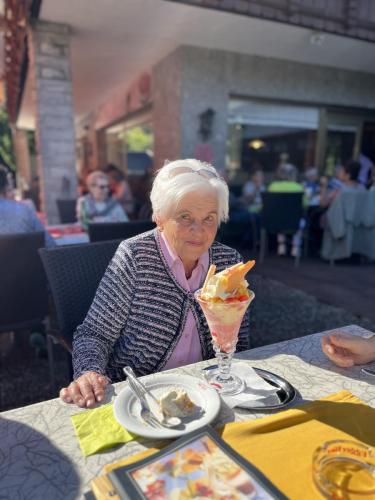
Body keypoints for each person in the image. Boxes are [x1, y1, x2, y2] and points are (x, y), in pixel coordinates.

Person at [60, 159, 250, 408]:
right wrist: (88, 373)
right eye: (185, 216)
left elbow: (241, 343)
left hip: (207, 394)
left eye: (209, 219)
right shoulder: (135, 256)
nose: (199, 230)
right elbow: (94, 334)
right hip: (139, 395)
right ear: (159, 217)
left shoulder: (230, 263)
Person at [0, 167, 55, 247]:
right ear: (5, 187)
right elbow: (49, 244)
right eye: (10, 190)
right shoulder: (23, 210)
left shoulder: (23, 209)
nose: (13, 193)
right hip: (27, 258)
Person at [268, 163, 305, 257]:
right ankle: (295, 247)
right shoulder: (298, 187)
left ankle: (281, 246)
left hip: (273, 221)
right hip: (293, 221)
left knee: (280, 216)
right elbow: (305, 205)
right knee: (301, 220)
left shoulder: (272, 186)